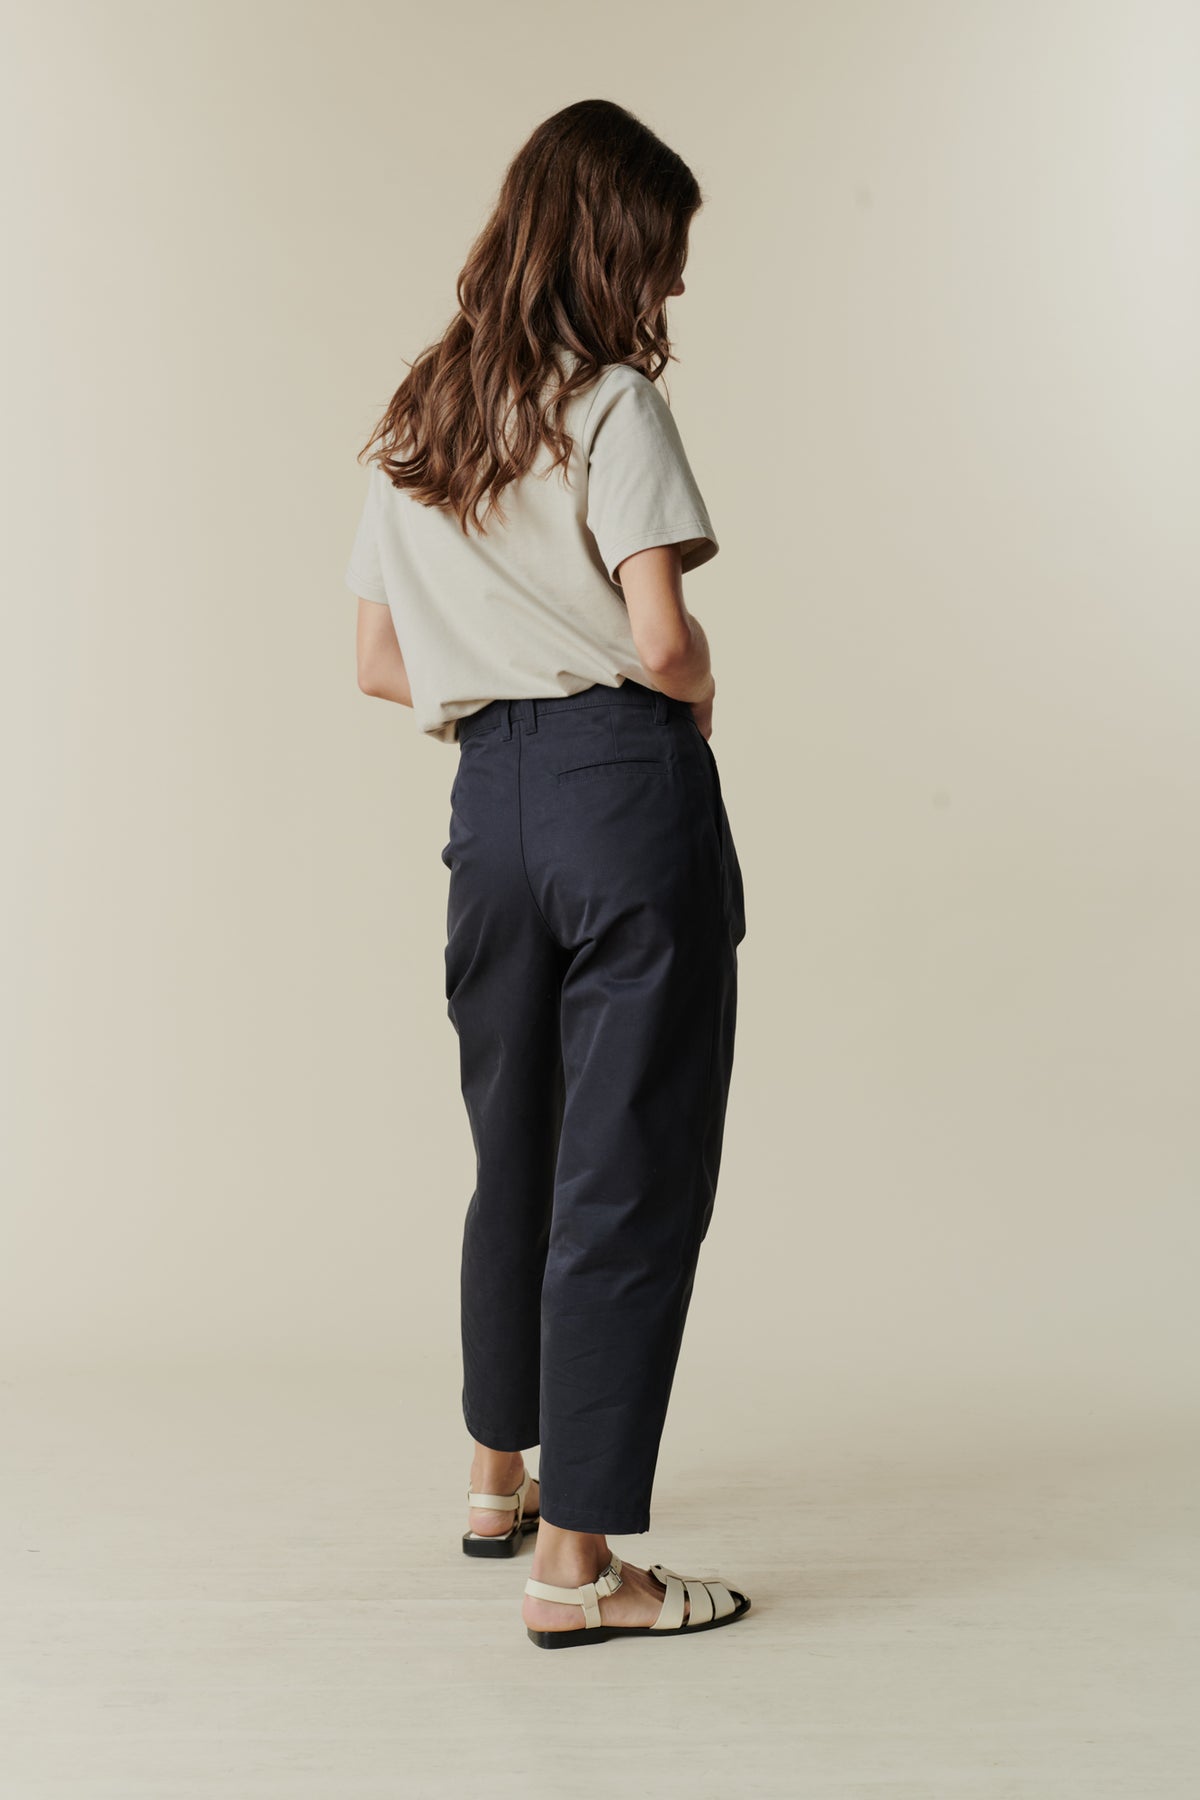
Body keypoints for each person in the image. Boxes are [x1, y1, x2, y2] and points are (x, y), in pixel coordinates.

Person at [344, 98, 749, 1650]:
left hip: (487, 806)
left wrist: (499, 672)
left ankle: (496, 1471)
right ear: (608, 244)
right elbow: (656, 637)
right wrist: (695, 681)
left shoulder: (418, 419)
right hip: (618, 790)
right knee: (624, 1170)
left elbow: (379, 663)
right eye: (664, 254)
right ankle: (582, 1572)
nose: (677, 289)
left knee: (512, 1146)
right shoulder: (611, 407)